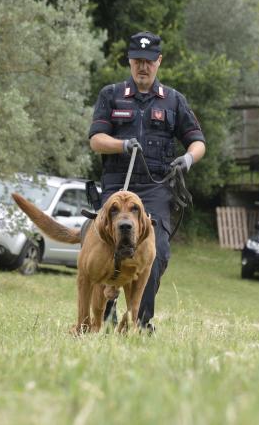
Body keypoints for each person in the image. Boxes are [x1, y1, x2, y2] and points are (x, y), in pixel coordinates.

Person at [88, 31, 206, 332]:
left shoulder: (174, 101)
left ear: (159, 62)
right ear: (129, 61)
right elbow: (96, 141)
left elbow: (197, 141)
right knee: (107, 244)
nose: (144, 67)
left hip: (155, 188)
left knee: (159, 250)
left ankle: (138, 321)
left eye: (149, 61)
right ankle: (107, 306)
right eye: (138, 61)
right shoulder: (110, 95)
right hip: (118, 184)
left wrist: (188, 159)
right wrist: (122, 144)